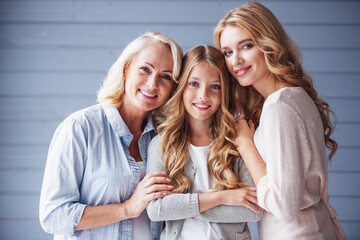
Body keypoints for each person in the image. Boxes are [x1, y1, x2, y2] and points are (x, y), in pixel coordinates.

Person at [214, 2, 346, 239]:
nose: (236, 61)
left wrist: (245, 145)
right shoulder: (292, 97)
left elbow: (284, 207)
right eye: (227, 52)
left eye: (246, 46)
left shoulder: (280, 106)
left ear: (268, 43)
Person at [39, 31, 183, 240]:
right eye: (145, 69)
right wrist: (127, 208)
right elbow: (53, 216)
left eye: (166, 76)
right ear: (126, 69)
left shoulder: (165, 138)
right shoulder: (80, 128)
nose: (153, 83)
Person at [146, 45, 262, 240]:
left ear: (224, 92)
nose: (203, 95)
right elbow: (157, 210)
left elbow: (253, 210)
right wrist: (223, 197)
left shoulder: (236, 142)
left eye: (215, 87)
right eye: (194, 84)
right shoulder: (161, 144)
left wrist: (182, 206)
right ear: (181, 87)